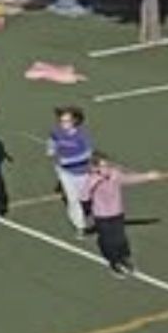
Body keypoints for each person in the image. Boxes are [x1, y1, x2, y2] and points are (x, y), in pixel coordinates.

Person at [83, 153, 160, 276]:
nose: (107, 168)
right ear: (94, 168)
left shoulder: (114, 174)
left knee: (120, 237)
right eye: (103, 166)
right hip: (102, 215)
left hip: (117, 212)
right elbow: (84, 196)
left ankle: (125, 257)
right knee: (109, 240)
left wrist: (148, 176)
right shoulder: (91, 180)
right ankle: (114, 262)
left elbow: (129, 179)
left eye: (107, 165)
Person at [48, 106, 94, 237]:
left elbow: (87, 154)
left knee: (85, 198)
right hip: (65, 173)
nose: (63, 124)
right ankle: (80, 226)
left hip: (82, 172)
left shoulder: (82, 135)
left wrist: (68, 161)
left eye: (67, 121)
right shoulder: (56, 132)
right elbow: (52, 140)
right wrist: (51, 149)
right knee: (72, 199)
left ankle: (91, 211)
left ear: (75, 121)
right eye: (61, 121)